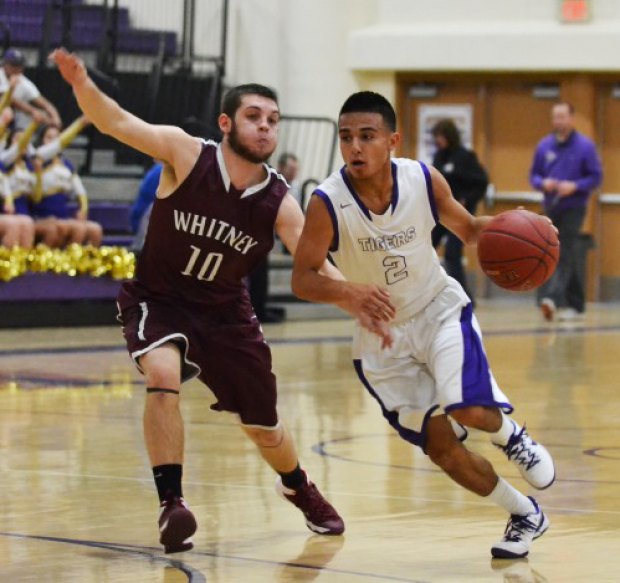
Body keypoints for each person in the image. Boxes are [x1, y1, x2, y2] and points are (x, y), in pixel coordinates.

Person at [50, 48, 345, 554]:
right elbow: (115, 120)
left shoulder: (279, 199)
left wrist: (361, 300)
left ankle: (298, 485)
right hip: (159, 298)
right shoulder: (187, 153)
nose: (265, 128)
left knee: (265, 428)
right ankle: (172, 506)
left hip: (226, 314)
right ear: (226, 122)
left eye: (273, 121)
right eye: (254, 117)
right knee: (163, 373)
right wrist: (82, 85)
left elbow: (314, 264)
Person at [292, 91, 556, 559]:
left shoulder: (421, 179)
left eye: (367, 137)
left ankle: (512, 438)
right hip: (382, 338)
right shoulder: (327, 202)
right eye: (347, 137)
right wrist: (349, 292)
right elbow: (303, 278)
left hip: (437, 309)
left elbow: (472, 230)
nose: (355, 147)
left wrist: (524, 225)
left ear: (392, 140)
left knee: (468, 408)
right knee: (442, 449)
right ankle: (525, 514)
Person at [529, 101, 603, 322]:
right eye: (555, 117)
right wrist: (544, 183)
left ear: (571, 118)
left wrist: (575, 186)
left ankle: (551, 298)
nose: (558, 121)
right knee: (556, 253)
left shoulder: (585, 146)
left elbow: (595, 177)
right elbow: (534, 176)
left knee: (565, 250)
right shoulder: (544, 146)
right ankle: (577, 304)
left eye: (562, 117)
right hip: (551, 206)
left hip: (574, 206)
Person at [431, 119, 488, 306]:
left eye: (440, 136)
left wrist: (466, 199)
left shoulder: (465, 156)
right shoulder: (439, 157)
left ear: (449, 135)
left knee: (452, 254)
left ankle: (465, 298)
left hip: (461, 211)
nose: (437, 140)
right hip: (440, 213)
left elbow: (481, 182)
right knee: (425, 246)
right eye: (435, 136)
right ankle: (427, 293)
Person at [247, 152, 300, 323]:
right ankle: (256, 310)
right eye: (291, 169)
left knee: (260, 275)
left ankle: (260, 309)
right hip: (251, 232)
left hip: (265, 232)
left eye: (296, 169)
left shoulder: (288, 185)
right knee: (255, 275)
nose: (294, 173)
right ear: (282, 167)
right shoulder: (262, 178)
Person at [33, 120, 103, 247]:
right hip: (41, 213)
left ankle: (77, 263)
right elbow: (35, 197)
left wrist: (83, 209)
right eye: (49, 137)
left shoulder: (67, 165)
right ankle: (49, 263)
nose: (53, 142)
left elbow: (80, 191)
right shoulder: (36, 160)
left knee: (95, 230)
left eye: (56, 138)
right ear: (41, 139)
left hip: (62, 214)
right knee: (68, 229)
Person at [0, 49, 62, 130]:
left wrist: (55, 118)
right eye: (13, 65)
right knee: (7, 112)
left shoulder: (23, 82)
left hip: (9, 125)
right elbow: (9, 99)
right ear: (5, 64)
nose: (16, 69)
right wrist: (33, 111)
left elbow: (44, 103)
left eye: (19, 66)